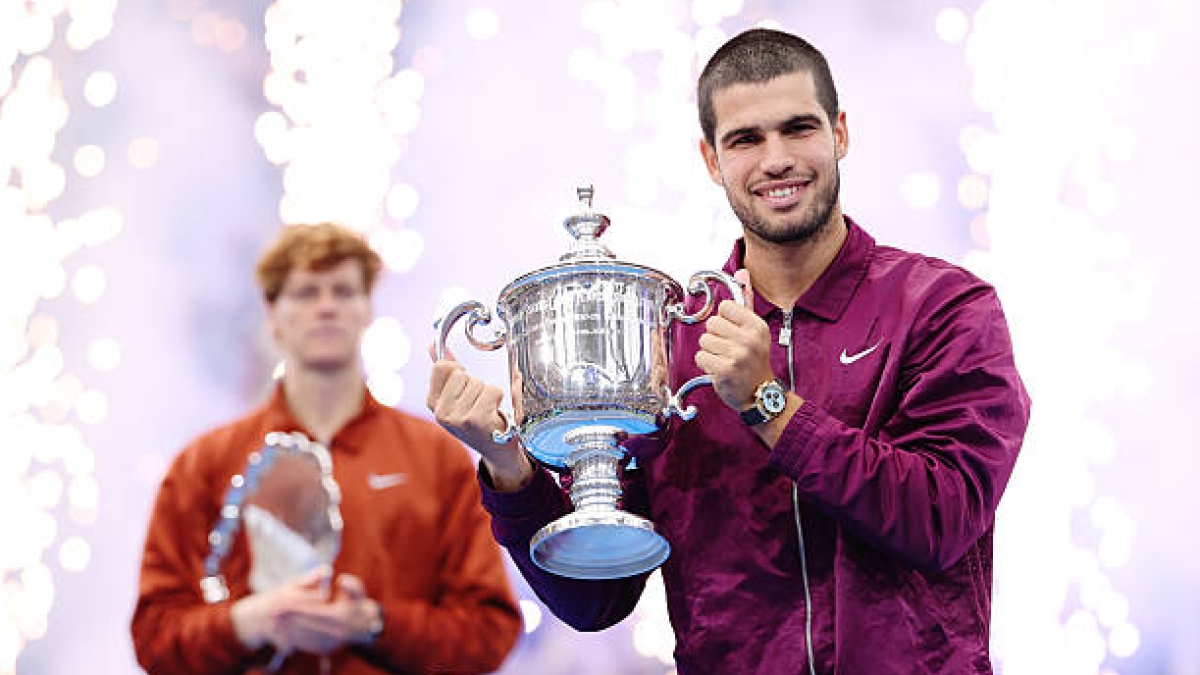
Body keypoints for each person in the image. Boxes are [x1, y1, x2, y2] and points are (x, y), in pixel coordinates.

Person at [427, 27, 1030, 675]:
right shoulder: (670, 346)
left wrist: (769, 404)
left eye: (798, 128)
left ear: (840, 133)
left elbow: (939, 519)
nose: (776, 160)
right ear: (712, 160)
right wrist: (508, 470)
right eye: (746, 139)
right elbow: (597, 595)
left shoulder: (943, 308)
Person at [132, 223, 522, 674]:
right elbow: (153, 636)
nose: (326, 307)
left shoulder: (436, 456)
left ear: (366, 309)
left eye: (343, 290)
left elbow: (488, 631)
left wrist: (373, 623)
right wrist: (255, 620)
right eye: (305, 292)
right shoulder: (205, 462)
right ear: (272, 313)